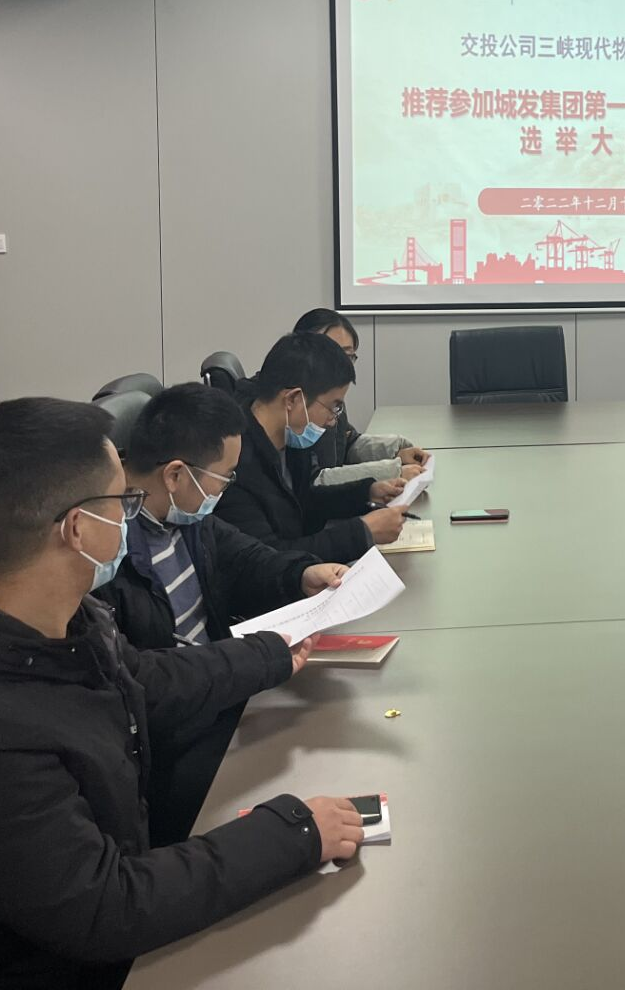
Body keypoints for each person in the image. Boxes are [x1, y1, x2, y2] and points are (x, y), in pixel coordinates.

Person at [0, 397, 368, 989]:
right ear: (76, 529)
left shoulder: (62, 625)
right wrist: (291, 832)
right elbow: (107, 907)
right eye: (121, 504)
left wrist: (270, 653)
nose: (131, 518)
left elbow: (144, 680)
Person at [98, 383, 351, 844]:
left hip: (225, 690)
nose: (226, 489)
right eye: (224, 477)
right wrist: (260, 658)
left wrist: (301, 574)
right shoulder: (107, 556)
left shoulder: (186, 518)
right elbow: (145, 683)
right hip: (177, 741)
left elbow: (245, 558)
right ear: (176, 475)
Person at [217, 331, 407, 561]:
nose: (333, 420)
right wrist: (362, 533)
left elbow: (304, 503)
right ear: (292, 399)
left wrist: (366, 492)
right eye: (333, 407)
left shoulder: (290, 438)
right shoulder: (235, 462)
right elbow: (270, 559)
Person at [290, 306, 432, 490]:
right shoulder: (293, 403)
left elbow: (347, 443)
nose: (341, 364)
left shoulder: (330, 393)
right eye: (332, 354)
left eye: (348, 355)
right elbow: (313, 482)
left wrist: (396, 451)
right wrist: (392, 471)